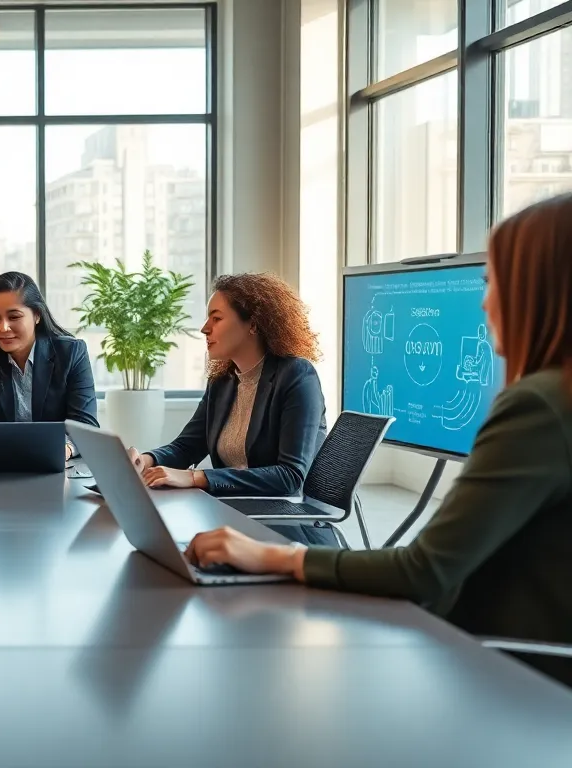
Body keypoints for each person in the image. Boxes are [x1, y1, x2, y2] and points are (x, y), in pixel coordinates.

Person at [183, 193, 572, 687]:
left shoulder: (539, 406)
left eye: (490, 282)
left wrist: (270, 556)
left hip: (502, 674)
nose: (484, 302)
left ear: (536, 290)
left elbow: (423, 569)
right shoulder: (553, 399)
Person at [133, 273, 327, 497]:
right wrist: (144, 461)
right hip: (233, 504)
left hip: (282, 510)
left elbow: (290, 476)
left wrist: (195, 478)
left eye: (216, 318)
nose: (205, 328)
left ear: (252, 324)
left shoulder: (297, 375)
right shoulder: (222, 381)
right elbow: (187, 447)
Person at [0, 271, 99, 460]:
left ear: (37, 315)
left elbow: (85, 426)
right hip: (0, 465)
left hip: (58, 465)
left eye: (14, 317)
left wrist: (62, 450)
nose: (3, 328)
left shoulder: (71, 353)